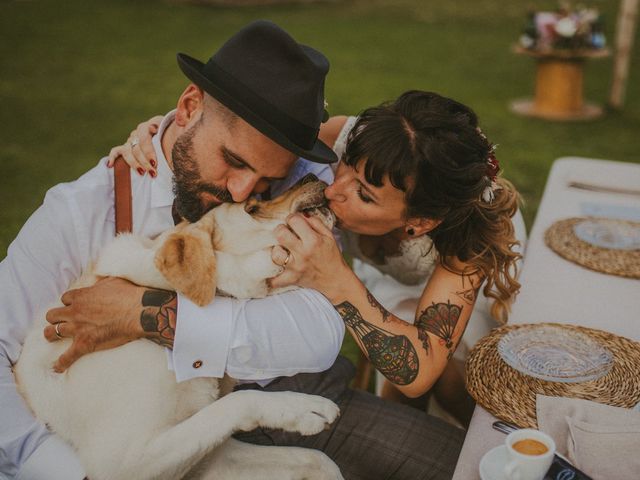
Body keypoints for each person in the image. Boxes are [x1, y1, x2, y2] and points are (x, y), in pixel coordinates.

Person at [0, 21, 464, 480]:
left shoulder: (298, 180)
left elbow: (318, 333)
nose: (242, 192)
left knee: (470, 466)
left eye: (264, 181)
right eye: (234, 161)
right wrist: (60, 470)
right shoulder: (82, 210)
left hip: (300, 397)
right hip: (142, 439)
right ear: (187, 106)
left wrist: (142, 312)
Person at [122, 91, 525, 426]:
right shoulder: (335, 138)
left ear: (418, 222)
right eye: (346, 167)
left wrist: (333, 278)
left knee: (455, 381)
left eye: (364, 195)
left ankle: (485, 439)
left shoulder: (466, 242)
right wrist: (164, 129)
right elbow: (235, 129)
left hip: (474, 283)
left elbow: (417, 372)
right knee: (394, 336)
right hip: (381, 278)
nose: (335, 191)